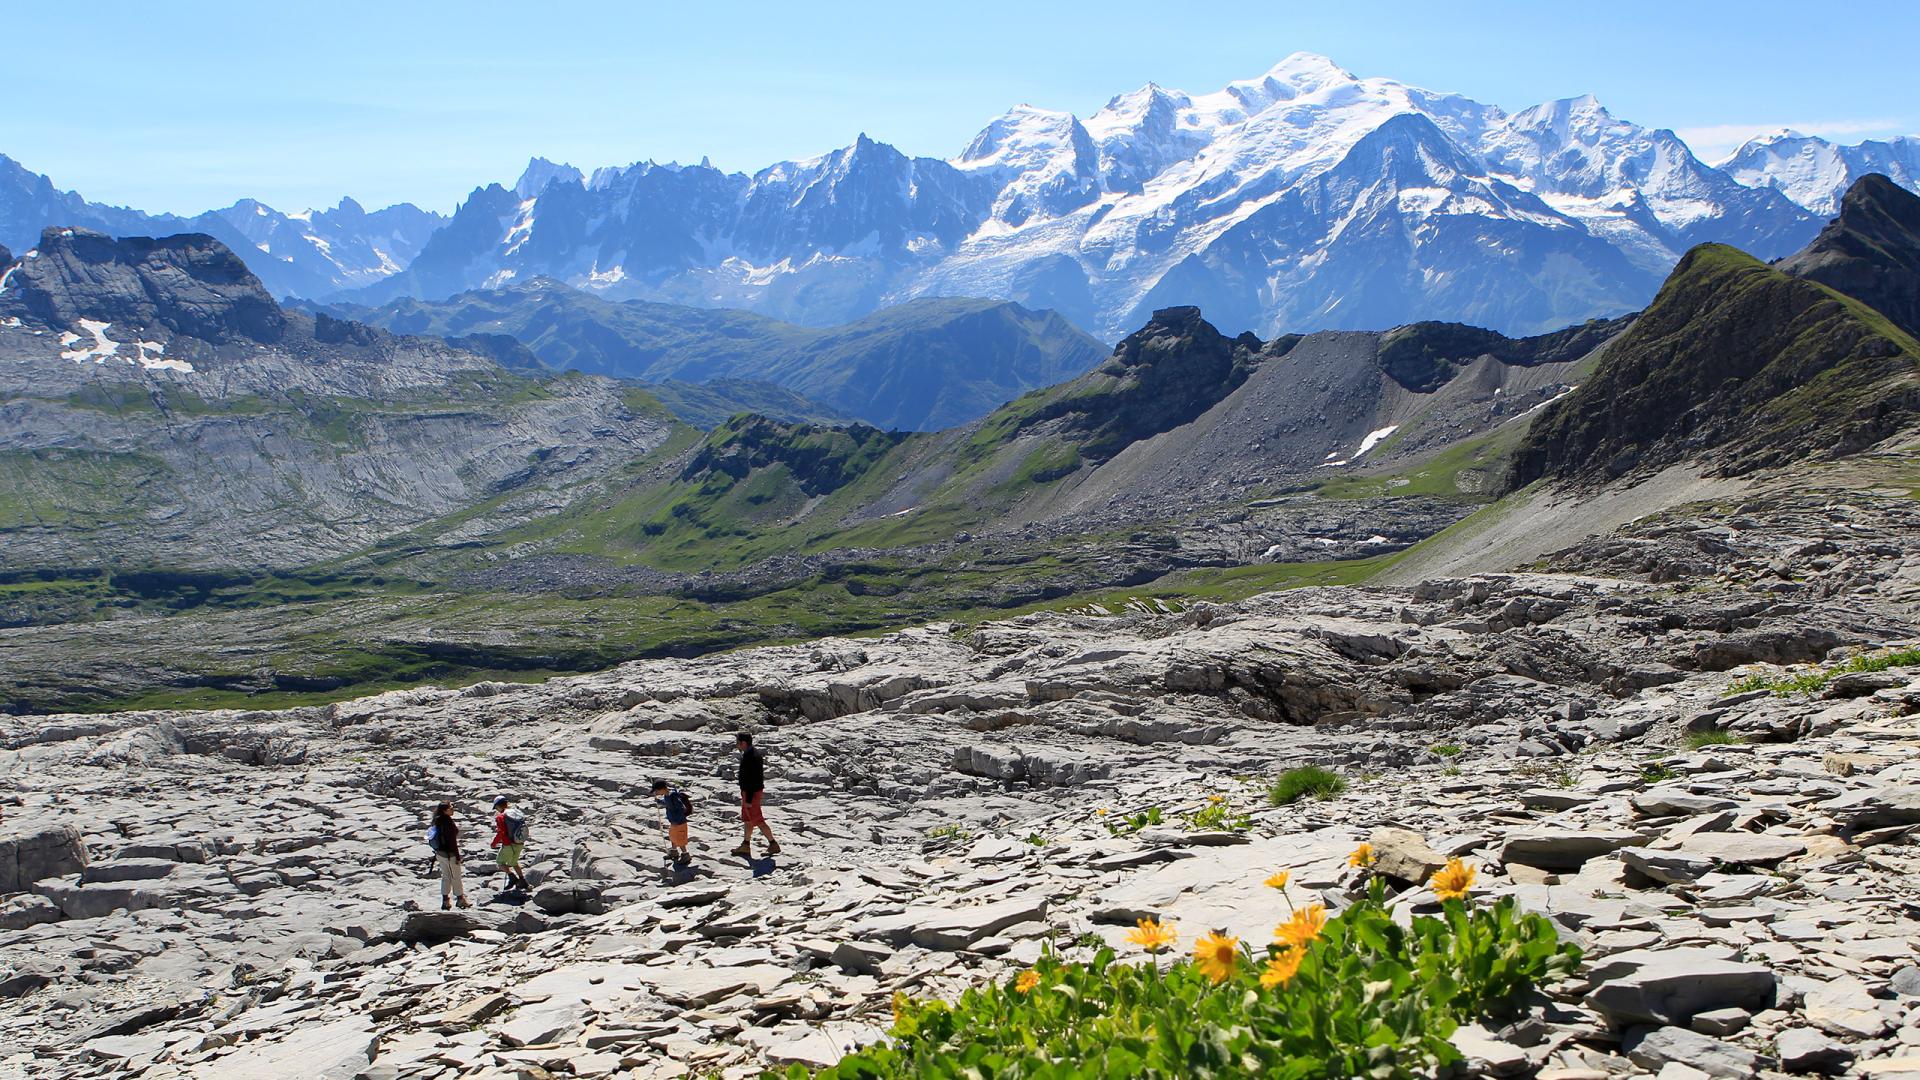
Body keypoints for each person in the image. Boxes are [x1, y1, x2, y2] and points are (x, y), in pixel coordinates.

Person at [732, 732, 780, 858]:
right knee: (748, 819)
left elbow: (752, 780)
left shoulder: (752, 756)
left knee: (757, 819)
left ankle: (773, 843)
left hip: (751, 793)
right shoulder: (750, 753)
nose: (737, 745)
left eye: (738, 742)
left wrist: (748, 798)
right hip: (748, 792)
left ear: (744, 743)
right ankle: (745, 845)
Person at [428, 801, 470, 910]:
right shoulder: (448, 822)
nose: (453, 809)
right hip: (450, 854)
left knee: (446, 877)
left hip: (440, 854)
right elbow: (452, 842)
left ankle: (445, 901)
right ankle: (461, 899)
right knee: (456, 877)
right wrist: (457, 856)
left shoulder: (436, 820)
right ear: (445, 811)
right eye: (451, 808)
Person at [490, 795, 531, 892]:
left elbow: (501, 832)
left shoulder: (501, 816)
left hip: (508, 844)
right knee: (514, 862)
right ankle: (523, 881)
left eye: (496, 807)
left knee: (500, 863)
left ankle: (512, 877)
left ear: (499, 806)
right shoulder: (516, 812)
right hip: (519, 842)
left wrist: (494, 843)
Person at [651, 779, 694, 866]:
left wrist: (677, 821)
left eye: (656, 791)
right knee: (673, 837)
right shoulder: (667, 795)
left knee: (680, 839)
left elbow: (680, 808)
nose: (656, 793)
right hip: (674, 822)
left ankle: (686, 855)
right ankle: (674, 852)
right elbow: (668, 804)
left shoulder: (673, 795)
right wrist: (660, 802)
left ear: (661, 789)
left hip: (679, 822)